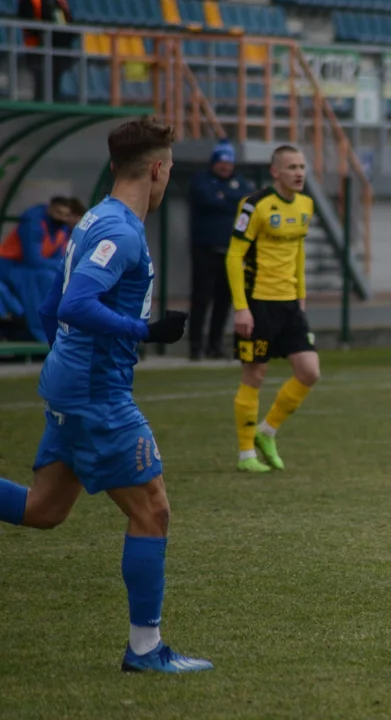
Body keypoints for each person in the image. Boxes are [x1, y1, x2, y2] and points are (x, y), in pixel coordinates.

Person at [0, 116, 212, 673]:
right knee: (154, 510)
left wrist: (64, 361)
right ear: (159, 169)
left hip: (74, 382)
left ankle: (146, 649)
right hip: (97, 393)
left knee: (43, 510)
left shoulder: (95, 216)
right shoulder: (121, 233)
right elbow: (72, 306)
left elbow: (51, 306)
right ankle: (145, 650)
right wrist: (147, 332)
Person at [227, 145, 319, 474]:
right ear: (275, 172)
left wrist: (301, 295)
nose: (299, 173)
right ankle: (245, 453)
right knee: (255, 374)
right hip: (258, 303)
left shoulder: (306, 205)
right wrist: (241, 308)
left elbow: (298, 253)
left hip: (289, 304)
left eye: (302, 166)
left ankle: (267, 431)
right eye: (292, 166)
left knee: (309, 371)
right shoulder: (254, 206)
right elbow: (234, 256)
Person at [188, 139, 254, 360]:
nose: (225, 167)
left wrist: (223, 197)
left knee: (224, 302)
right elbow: (207, 199)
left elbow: (245, 200)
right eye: (222, 162)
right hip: (205, 249)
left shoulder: (240, 182)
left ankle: (214, 345)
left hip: (230, 253)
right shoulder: (201, 180)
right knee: (201, 300)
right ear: (214, 162)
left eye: (229, 162)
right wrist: (228, 200)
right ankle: (195, 345)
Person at [0, 196, 80, 343]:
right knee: (46, 278)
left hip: (33, 268)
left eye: (65, 214)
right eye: (58, 212)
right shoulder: (33, 224)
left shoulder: (60, 229)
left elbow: (58, 260)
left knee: (57, 277)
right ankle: (40, 331)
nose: (61, 217)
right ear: (49, 209)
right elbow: (33, 259)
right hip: (9, 266)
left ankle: (60, 330)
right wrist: (60, 265)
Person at [18, 0, 75, 102]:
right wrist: (46, 36)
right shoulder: (31, 2)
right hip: (37, 51)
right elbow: (29, 24)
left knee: (54, 87)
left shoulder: (58, 3)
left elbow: (67, 25)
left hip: (58, 53)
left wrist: (67, 11)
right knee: (40, 86)